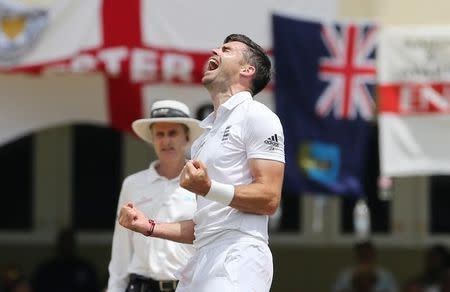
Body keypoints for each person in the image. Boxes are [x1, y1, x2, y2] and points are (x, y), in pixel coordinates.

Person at [118, 33, 285, 292]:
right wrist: (149, 226)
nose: (214, 51)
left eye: (226, 50)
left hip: (239, 254)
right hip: (202, 258)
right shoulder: (203, 138)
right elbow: (205, 224)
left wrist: (208, 188)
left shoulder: (259, 116)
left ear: (247, 69)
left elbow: (270, 198)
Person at [107, 100, 203, 292]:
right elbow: (121, 251)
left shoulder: (201, 181)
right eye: (160, 134)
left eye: (173, 133)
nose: (166, 141)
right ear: (152, 139)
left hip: (190, 286)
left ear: (186, 137)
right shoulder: (132, 184)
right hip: (142, 286)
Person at [31, 227, 99, 292]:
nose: (66, 245)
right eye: (64, 241)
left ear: (73, 244)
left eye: (69, 242)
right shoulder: (45, 270)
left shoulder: (85, 269)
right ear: (58, 245)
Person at [332, 240, 397, 292]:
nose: (365, 258)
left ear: (373, 256)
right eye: (362, 255)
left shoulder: (385, 275)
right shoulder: (346, 275)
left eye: (368, 255)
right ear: (357, 256)